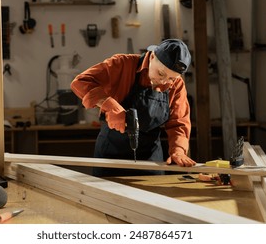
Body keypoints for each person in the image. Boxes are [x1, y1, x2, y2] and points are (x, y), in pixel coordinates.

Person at [71, 39, 196, 177]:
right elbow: (80, 82)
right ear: (152, 56)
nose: (164, 81)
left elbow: (179, 123)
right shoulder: (122, 64)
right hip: (111, 155)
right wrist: (109, 105)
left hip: (150, 159)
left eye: (172, 78)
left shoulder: (177, 86)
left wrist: (178, 150)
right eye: (161, 73)